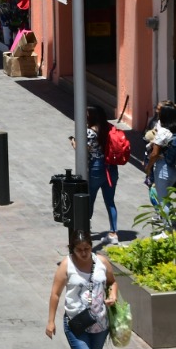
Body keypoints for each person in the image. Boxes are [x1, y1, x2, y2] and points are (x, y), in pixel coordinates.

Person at [44, 233, 117, 349]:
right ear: (72, 250)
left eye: (87, 249)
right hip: (76, 322)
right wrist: (51, 321)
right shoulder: (66, 265)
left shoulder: (101, 262)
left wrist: (113, 295)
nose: (84, 253)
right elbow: (55, 294)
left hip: (100, 322)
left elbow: (112, 282)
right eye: (79, 250)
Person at [75, 104, 119, 246]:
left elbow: (83, 149)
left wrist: (74, 142)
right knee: (110, 201)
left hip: (96, 168)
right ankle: (114, 233)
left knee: (90, 199)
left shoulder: (90, 132)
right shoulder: (110, 128)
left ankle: (85, 231)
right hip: (111, 167)